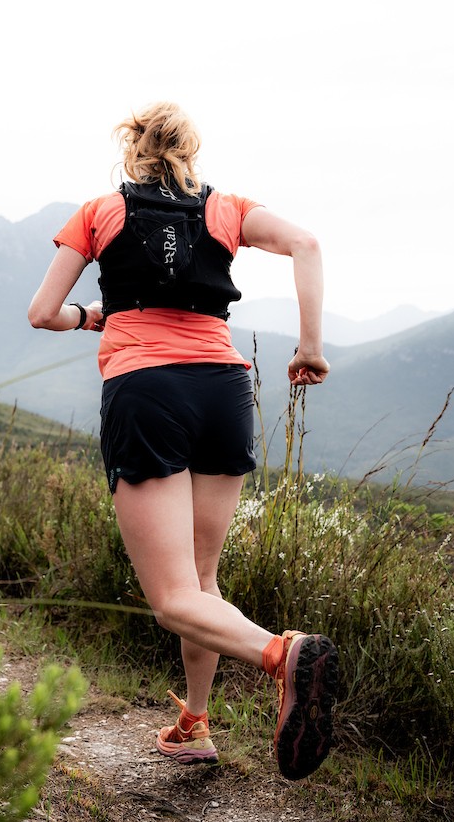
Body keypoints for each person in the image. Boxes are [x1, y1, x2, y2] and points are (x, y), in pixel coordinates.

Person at [28, 101, 337, 780]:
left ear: (131, 149)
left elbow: (41, 313)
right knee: (201, 578)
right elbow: (308, 244)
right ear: (190, 152)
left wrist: (94, 318)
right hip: (224, 388)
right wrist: (309, 348)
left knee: (172, 599)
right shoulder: (225, 209)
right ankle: (195, 724)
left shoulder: (96, 212)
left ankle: (284, 656)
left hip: (148, 392)